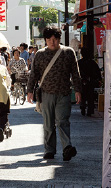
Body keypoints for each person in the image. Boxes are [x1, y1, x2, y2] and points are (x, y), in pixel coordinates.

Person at [27, 26, 82, 162]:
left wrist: (78, 90)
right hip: (46, 93)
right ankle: (49, 150)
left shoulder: (68, 52)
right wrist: (29, 91)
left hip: (64, 93)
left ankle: (67, 148)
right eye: (50, 39)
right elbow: (34, 74)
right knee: (48, 124)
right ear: (45, 40)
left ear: (59, 39)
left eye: (55, 39)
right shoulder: (40, 54)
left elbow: (75, 73)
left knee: (63, 121)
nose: (53, 42)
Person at [77, 48, 102, 117]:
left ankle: (83, 107)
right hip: (91, 81)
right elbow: (97, 72)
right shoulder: (92, 62)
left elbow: (76, 72)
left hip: (82, 81)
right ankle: (90, 110)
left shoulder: (79, 62)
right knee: (90, 96)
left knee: (83, 95)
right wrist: (98, 79)